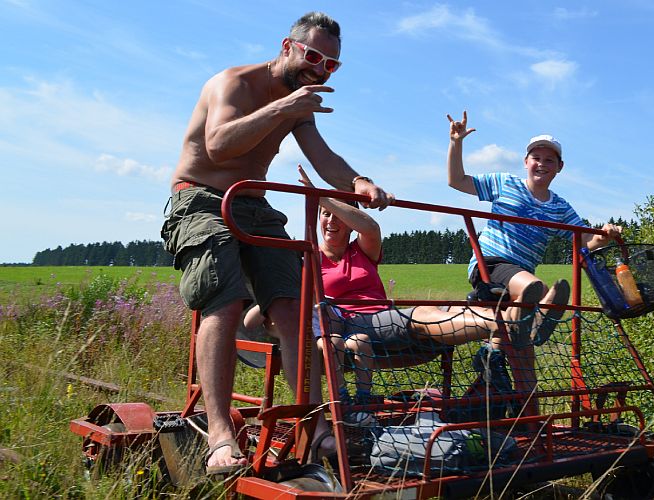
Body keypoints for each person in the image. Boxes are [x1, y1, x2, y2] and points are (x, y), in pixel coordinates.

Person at [160, 12, 392, 477]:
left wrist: (360, 181)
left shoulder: (296, 103)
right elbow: (220, 144)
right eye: (313, 56)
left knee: (292, 308)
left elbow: (324, 158)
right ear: (287, 46)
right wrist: (282, 110)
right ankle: (221, 432)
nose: (320, 69)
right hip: (200, 198)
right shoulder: (235, 83)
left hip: (254, 202)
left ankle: (314, 424)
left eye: (331, 65)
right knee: (222, 303)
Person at [245, 166, 567, 423]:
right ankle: (514, 322)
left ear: (349, 222)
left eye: (340, 216)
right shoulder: (307, 257)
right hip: (340, 332)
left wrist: (323, 198)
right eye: (325, 215)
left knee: (424, 314)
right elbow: (280, 303)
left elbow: (370, 228)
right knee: (364, 335)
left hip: (379, 322)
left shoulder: (362, 249)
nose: (331, 221)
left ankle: (508, 322)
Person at [446, 111, 622, 347]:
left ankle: (491, 358)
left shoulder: (559, 206)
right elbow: (457, 181)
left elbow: (583, 239)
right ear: (525, 162)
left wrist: (605, 235)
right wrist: (456, 143)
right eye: (536, 157)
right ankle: (532, 327)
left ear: (560, 167)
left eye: (549, 160)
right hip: (490, 265)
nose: (541, 164)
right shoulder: (505, 183)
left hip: (522, 273)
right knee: (537, 289)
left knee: (526, 330)